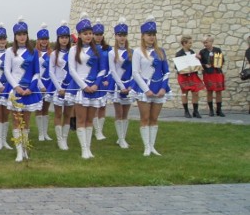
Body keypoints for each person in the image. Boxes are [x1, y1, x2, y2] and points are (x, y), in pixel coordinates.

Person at [130, 16, 171, 156]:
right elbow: (135, 72)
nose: (151, 37)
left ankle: (153, 146)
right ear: (143, 36)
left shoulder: (161, 51)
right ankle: (146, 146)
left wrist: (163, 88)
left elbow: (166, 72)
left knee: (154, 118)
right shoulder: (137, 52)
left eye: (153, 35)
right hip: (144, 89)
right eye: (148, 35)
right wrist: (146, 90)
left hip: (159, 89)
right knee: (145, 118)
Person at [4, 18, 42, 162]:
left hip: (29, 91)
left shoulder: (34, 52)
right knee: (16, 120)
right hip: (15, 89)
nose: (22, 36)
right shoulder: (9, 51)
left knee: (26, 121)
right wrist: (17, 87)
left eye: (24, 34)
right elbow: (7, 71)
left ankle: (25, 148)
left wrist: (30, 89)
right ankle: (18, 151)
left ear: (27, 35)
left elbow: (37, 72)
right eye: (19, 34)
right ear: (15, 36)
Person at [66, 14, 104, 159]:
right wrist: (83, 86)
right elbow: (72, 70)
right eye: (85, 33)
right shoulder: (73, 50)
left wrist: (95, 84)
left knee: (90, 119)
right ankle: (83, 149)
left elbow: (102, 69)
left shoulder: (98, 50)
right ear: (80, 35)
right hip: (80, 88)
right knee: (81, 119)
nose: (88, 36)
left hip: (94, 88)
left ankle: (89, 148)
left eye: (90, 33)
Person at [109, 18, 134, 148]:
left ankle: (122, 137)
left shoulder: (132, 52)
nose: (122, 38)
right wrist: (121, 86)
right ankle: (121, 138)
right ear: (116, 36)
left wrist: (130, 86)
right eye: (119, 35)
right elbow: (112, 71)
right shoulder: (112, 52)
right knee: (118, 113)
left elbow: (135, 71)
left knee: (126, 113)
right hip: (117, 86)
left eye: (124, 35)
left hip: (129, 86)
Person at [50, 21, 74, 150]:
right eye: (61, 37)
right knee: (58, 114)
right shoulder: (54, 54)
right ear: (58, 39)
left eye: (66, 37)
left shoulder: (74, 52)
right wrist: (59, 88)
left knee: (68, 114)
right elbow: (51, 71)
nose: (64, 40)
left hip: (70, 87)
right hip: (58, 87)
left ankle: (65, 138)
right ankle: (59, 140)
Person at [175, 35, 204, 118]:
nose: (191, 44)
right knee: (184, 93)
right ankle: (186, 111)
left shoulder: (192, 52)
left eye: (191, 43)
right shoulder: (179, 54)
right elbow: (177, 66)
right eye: (189, 43)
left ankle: (195, 111)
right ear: (184, 43)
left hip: (193, 75)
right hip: (184, 76)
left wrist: (198, 59)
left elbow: (196, 64)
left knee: (195, 93)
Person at [35, 24, 55, 142]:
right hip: (38, 83)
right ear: (38, 40)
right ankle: (40, 133)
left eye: (46, 39)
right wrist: (40, 84)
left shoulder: (52, 53)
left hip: (49, 83)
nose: (44, 41)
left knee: (46, 108)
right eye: (42, 39)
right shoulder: (34, 53)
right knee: (39, 107)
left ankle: (46, 132)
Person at [199, 35, 226, 117]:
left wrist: (219, 63)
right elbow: (200, 63)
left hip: (217, 72)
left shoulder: (217, 50)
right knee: (209, 91)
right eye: (204, 43)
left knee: (219, 91)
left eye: (206, 42)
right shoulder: (202, 52)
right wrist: (204, 65)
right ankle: (211, 110)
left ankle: (219, 110)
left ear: (211, 42)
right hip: (208, 74)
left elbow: (222, 60)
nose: (205, 44)